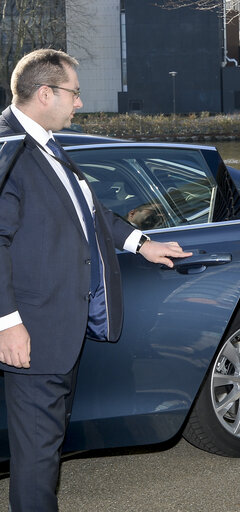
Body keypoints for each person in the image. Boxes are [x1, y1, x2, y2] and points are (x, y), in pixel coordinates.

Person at [0, 49, 191, 511]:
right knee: (38, 457)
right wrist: (7, 322)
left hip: (60, 326)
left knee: (47, 445)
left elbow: (90, 211)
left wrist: (141, 243)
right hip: (34, 330)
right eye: (74, 93)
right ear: (45, 93)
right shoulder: (9, 149)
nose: (79, 103)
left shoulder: (46, 142)